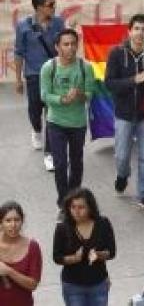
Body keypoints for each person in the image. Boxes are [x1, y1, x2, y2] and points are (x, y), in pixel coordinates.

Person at [104, 13, 144, 215]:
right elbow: (109, 84)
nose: (139, 33)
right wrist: (133, 81)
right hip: (124, 114)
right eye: (136, 29)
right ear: (129, 31)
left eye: (143, 29)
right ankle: (122, 175)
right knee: (122, 156)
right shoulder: (116, 54)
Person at [39, 28, 94, 208]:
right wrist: (62, 99)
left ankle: (74, 198)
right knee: (60, 164)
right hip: (56, 123)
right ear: (57, 47)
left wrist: (79, 95)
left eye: (73, 44)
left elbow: (89, 94)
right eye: (66, 44)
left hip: (78, 124)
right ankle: (64, 202)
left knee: (76, 162)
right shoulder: (49, 67)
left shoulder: (85, 67)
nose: (70, 48)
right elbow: (44, 95)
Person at [14, 0, 64, 170]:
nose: (53, 6)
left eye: (54, 3)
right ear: (38, 7)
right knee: (35, 110)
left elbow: (65, 46)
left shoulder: (59, 23)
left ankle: (50, 154)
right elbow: (19, 53)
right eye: (49, 4)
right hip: (34, 75)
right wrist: (18, 79)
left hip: (55, 74)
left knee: (52, 114)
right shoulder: (23, 26)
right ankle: (36, 130)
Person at [52, 188, 115, 306]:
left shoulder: (103, 223)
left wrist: (99, 255)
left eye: (81, 207)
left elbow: (111, 251)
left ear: (90, 207)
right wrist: (74, 258)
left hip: (98, 282)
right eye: (73, 207)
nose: (76, 211)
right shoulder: (62, 228)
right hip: (73, 285)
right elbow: (57, 257)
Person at [0, 201, 42, 305]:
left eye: (17, 220)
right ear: (1, 222)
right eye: (8, 220)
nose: (13, 225)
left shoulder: (32, 246)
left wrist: (9, 271)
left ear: (22, 221)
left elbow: (33, 284)